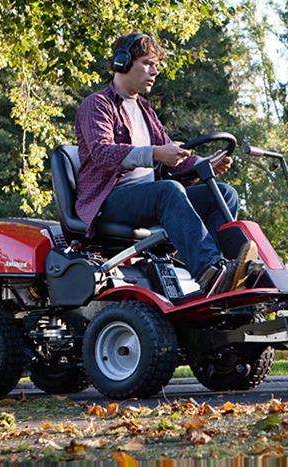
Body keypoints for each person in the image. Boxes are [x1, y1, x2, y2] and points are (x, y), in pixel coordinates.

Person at [74, 32, 257, 294]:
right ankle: (209, 271)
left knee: (224, 193)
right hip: (109, 201)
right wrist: (155, 154)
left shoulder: (146, 110)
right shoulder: (98, 105)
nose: (155, 71)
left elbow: (173, 160)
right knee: (168, 190)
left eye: (157, 65)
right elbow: (102, 152)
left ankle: (230, 273)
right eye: (148, 63)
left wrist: (203, 163)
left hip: (149, 200)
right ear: (123, 62)